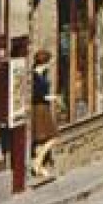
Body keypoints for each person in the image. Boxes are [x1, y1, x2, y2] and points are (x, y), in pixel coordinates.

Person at [30, 50, 59, 179]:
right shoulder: (35, 76)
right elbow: (36, 96)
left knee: (40, 141)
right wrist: (52, 97)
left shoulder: (43, 74)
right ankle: (36, 163)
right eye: (49, 62)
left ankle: (39, 167)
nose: (50, 65)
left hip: (44, 108)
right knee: (53, 137)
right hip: (39, 108)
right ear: (44, 62)